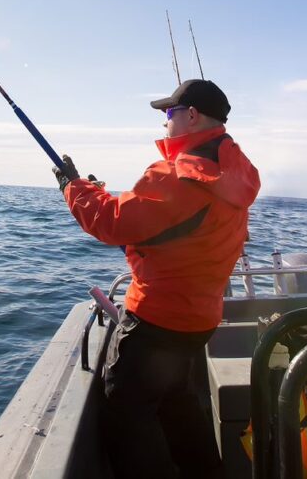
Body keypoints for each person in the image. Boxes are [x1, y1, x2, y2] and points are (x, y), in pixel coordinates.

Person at [53, 79, 261, 478]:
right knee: (176, 403)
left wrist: (73, 188)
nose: (165, 122)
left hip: (158, 320)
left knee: (125, 412)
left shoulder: (181, 173)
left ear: (192, 116)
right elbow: (170, 226)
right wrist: (94, 191)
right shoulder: (232, 172)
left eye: (169, 113)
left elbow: (111, 222)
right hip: (198, 320)